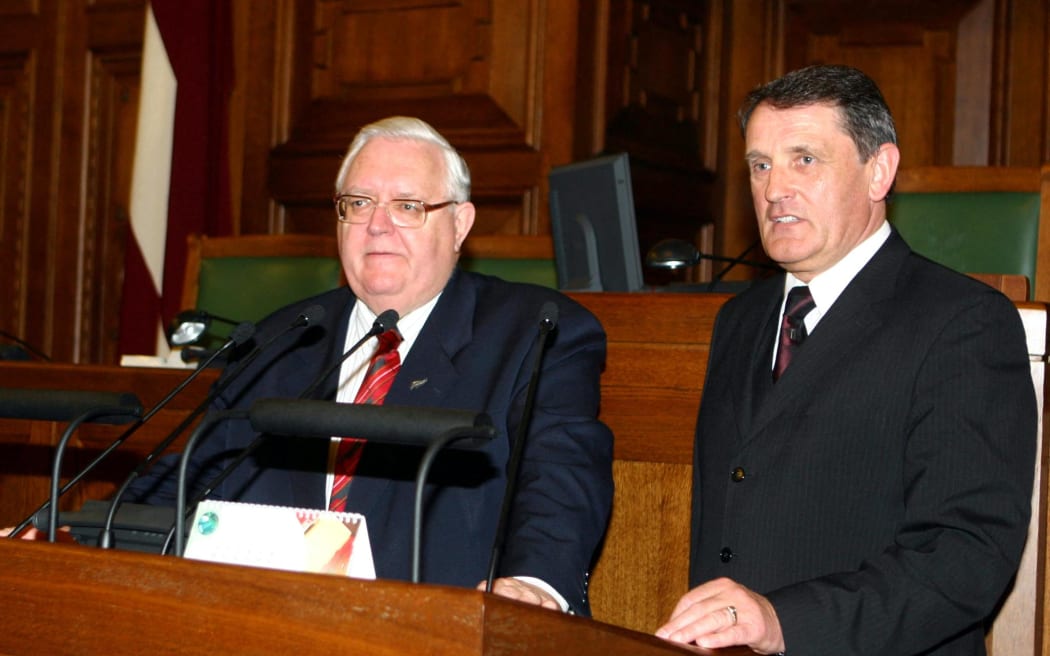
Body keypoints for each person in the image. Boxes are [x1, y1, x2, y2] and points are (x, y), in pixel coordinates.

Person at [121, 116, 614, 614]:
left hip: (436, 633)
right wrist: (84, 537)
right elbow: (190, 476)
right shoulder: (282, 337)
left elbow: (560, 479)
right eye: (358, 204)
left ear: (460, 224)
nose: (377, 225)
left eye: (407, 206)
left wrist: (534, 586)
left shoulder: (536, 332)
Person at [655, 65, 1036, 654]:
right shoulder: (740, 321)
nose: (774, 187)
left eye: (804, 159)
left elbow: (965, 556)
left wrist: (783, 621)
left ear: (879, 170)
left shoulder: (963, 323)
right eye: (760, 165)